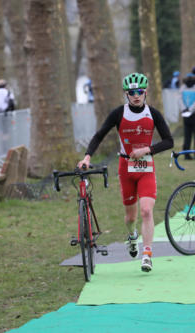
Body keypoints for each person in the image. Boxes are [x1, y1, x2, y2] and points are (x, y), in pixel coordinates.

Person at [77, 73, 173, 272]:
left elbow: (169, 141)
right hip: (125, 167)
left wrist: (148, 150)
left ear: (145, 92)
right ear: (126, 94)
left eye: (139, 92)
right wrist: (87, 157)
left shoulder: (153, 113)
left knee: (146, 210)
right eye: (131, 93)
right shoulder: (118, 114)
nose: (136, 96)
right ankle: (132, 237)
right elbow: (99, 135)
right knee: (130, 218)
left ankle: (147, 254)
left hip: (146, 167)